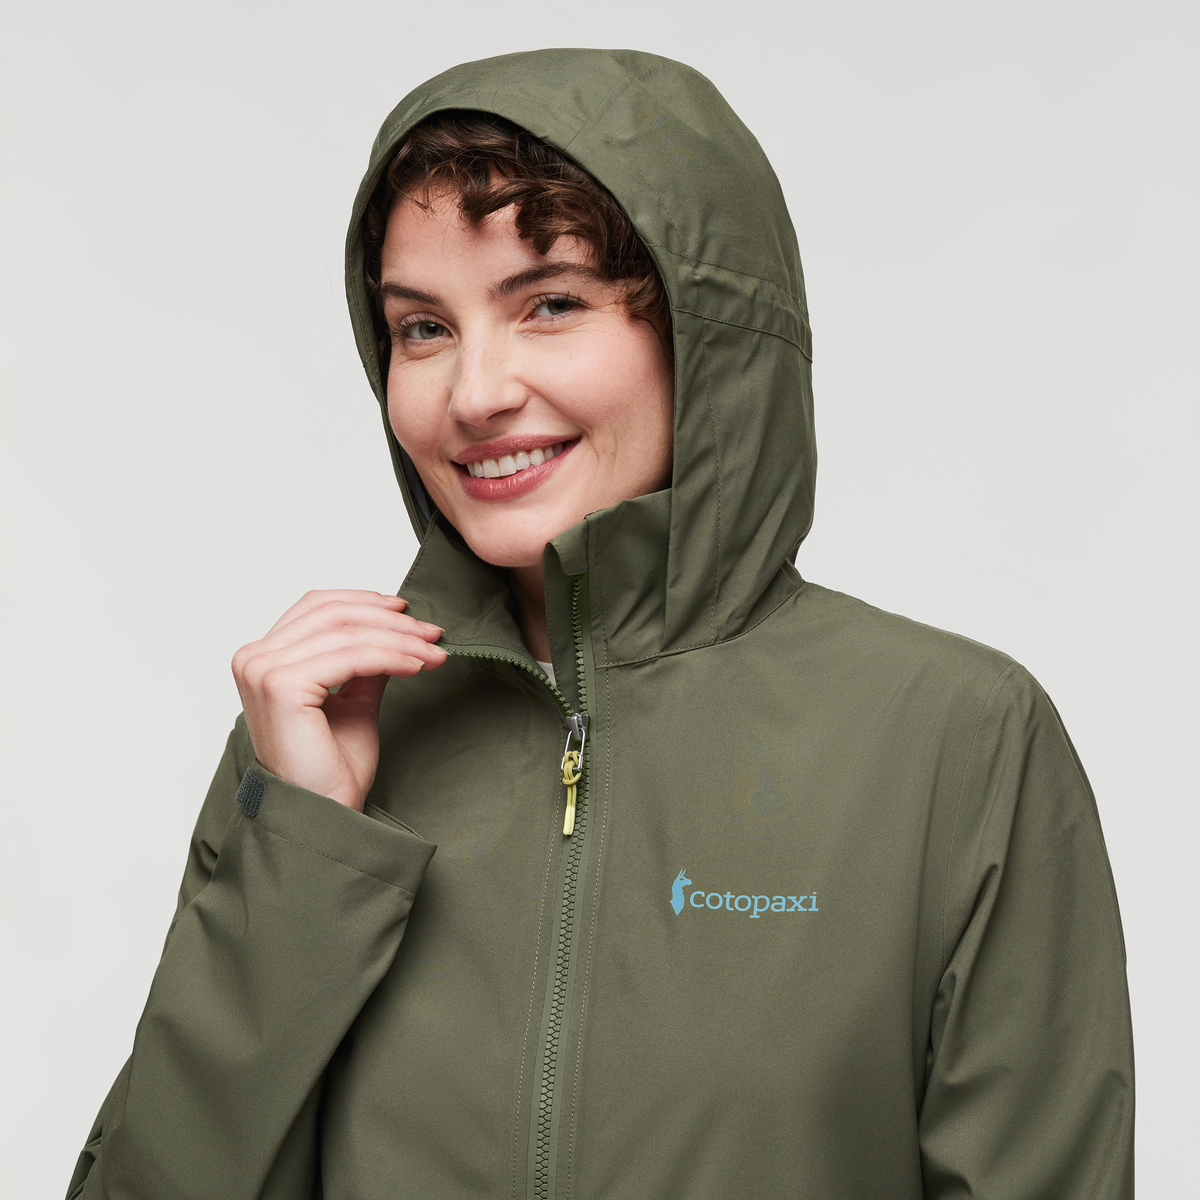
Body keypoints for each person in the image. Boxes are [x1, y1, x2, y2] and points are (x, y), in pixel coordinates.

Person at [68, 48, 1134, 1200]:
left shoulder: (955, 738)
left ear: (705, 337)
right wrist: (305, 848)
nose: (475, 393)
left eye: (551, 305)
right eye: (422, 328)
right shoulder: (315, 738)